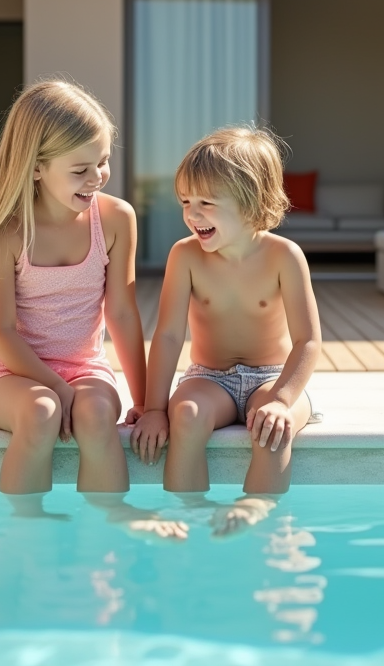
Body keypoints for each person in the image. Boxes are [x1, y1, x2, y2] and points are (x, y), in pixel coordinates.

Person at [0, 80, 185, 539]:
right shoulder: (8, 232)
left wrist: (146, 403)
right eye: (80, 170)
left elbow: (121, 314)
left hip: (84, 368)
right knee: (39, 411)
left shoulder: (116, 219)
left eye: (102, 162)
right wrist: (55, 386)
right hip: (11, 373)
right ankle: (25, 527)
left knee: (96, 415)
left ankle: (109, 519)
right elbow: (2, 333)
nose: (97, 178)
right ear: (37, 168)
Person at [130, 127, 321, 533]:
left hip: (273, 379)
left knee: (273, 427)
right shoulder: (185, 256)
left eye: (206, 203)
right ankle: (187, 513)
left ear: (251, 202)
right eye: (185, 202)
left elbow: (308, 341)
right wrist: (153, 409)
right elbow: (167, 336)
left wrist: (283, 400)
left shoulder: (284, 256)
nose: (191, 214)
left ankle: (255, 511)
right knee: (186, 414)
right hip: (208, 378)